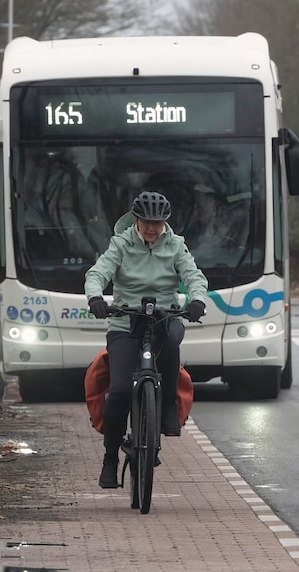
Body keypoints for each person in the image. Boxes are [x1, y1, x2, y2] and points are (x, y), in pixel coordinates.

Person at [85, 191, 209, 489]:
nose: (152, 228)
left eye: (158, 222)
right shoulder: (121, 244)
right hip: (125, 319)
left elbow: (194, 276)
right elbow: (98, 272)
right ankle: (110, 458)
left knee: (171, 342)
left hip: (163, 315)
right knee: (119, 391)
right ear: (136, 220)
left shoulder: (176, 245)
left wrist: (197, 300)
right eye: (146, 222)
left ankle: (166, 407)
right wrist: (96, 297)